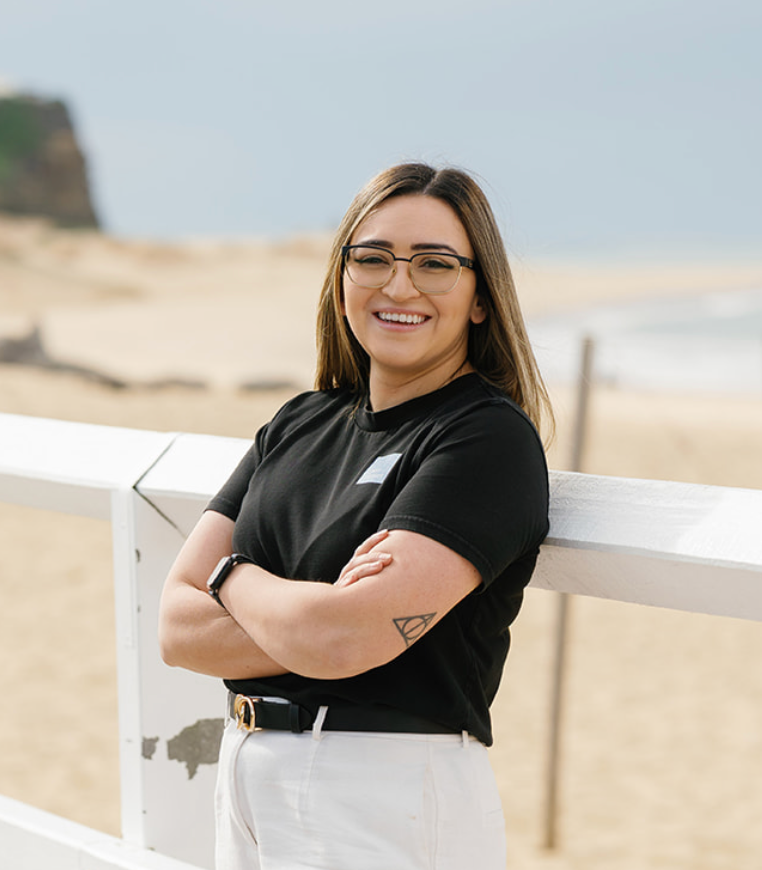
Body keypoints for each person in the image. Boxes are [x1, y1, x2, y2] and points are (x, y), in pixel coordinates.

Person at [158, 162, 553, 870]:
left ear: (480, 298)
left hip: (379, 784)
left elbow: (344, 638)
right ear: (341, 280)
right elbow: (176, 628)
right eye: (372, 258)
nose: (399, 286)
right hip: (247, 769)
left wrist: (231, 575)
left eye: (435, 264)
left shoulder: (484, 439)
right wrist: (319, 618)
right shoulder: (301, 422)